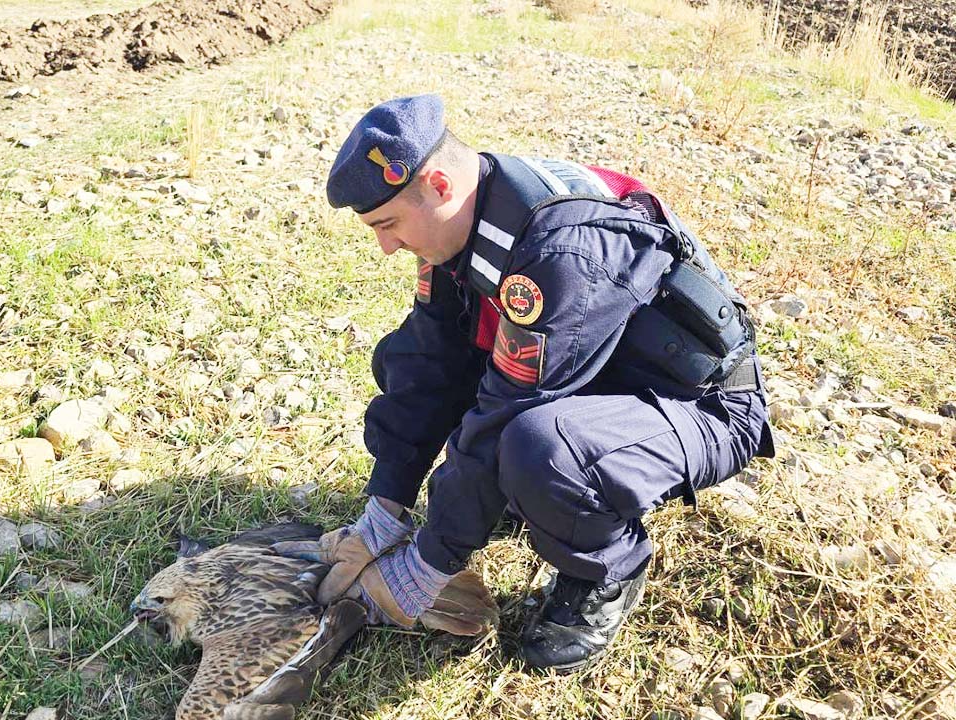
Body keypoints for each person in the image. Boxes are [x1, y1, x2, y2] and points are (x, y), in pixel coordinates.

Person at [273, 94, 774, 674]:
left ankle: (606, 570)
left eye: (388, 225)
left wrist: (425, 569)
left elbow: (508, 412)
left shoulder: (560, 249)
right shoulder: (461, 218)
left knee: (542, 448)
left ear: (438, 185)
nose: (386, 245)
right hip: (592, 377)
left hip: (696, 405)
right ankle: (522, 496)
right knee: (405, 361)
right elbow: (429, 363)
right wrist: (386, 503)